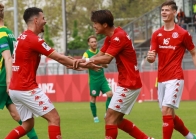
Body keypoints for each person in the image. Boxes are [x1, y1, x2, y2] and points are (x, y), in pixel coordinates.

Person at [5, 7, 100, 139]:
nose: (45, 21)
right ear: (36, 20)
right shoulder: (34, 40)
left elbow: (61, 57)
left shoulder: (23, 37)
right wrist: (83, 64)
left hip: (15, 89)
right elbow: (59, 58)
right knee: (54, 118)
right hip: (26, 88)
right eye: (43, 18)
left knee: (27, 125)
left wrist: (83, 64)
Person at [72, 10, 154, 139]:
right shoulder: (111, 37)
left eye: (95, 23)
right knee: (117, 120)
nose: (94, 26)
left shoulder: (118, 36)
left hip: (129, 83)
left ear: (104, 25)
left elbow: (106, 59)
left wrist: (85, 61)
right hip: (127, 82)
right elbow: (99, 55)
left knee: (109, 117)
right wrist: (80, 62)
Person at [147, 1, 196, 139]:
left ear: (174, 13)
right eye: (162, 10)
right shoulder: (156, 34)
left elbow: (194, 53)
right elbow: (151, 57)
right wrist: (149, 57)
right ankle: (190, 137)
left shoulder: (183, 34)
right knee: (169, 114)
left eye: (166, 10)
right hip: (161, 78)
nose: (163, 12)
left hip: (175, 77)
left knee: (166, 110)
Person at [0, 4, 38, 139]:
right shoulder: (9, 32)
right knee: (18, 116)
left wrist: (8, 80)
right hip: (10, 80)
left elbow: (8, 58)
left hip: (3, 81)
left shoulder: (1, 34)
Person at [82, 35, 113, 123]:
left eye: (95, 41)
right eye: (92, 42)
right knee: (93, 99)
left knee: (110, 94)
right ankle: (95, 117)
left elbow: (106, 65)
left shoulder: (101, 52)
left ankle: (107, 114)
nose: (94, 43)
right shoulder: (86, 53)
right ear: (89, 43)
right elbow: (83, 63)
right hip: (93, 80)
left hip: (102, 79)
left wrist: (103, 63)